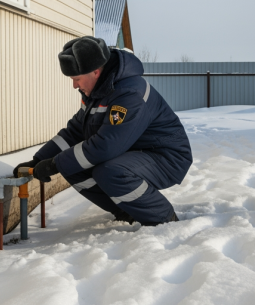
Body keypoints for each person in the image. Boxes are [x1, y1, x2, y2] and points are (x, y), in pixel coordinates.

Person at [14, 36, 192, 226]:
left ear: (96, 72)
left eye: (76, 79)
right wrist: (39, 159)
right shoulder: (97, 92)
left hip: (166, 157)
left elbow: (106, 146)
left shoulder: (130, 94)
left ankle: (164, 221)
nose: (74, 85)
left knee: (109, 171)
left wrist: (55, 164)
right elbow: (76, 131)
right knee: (72, 165)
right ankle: (126, 211)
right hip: (133, 151)